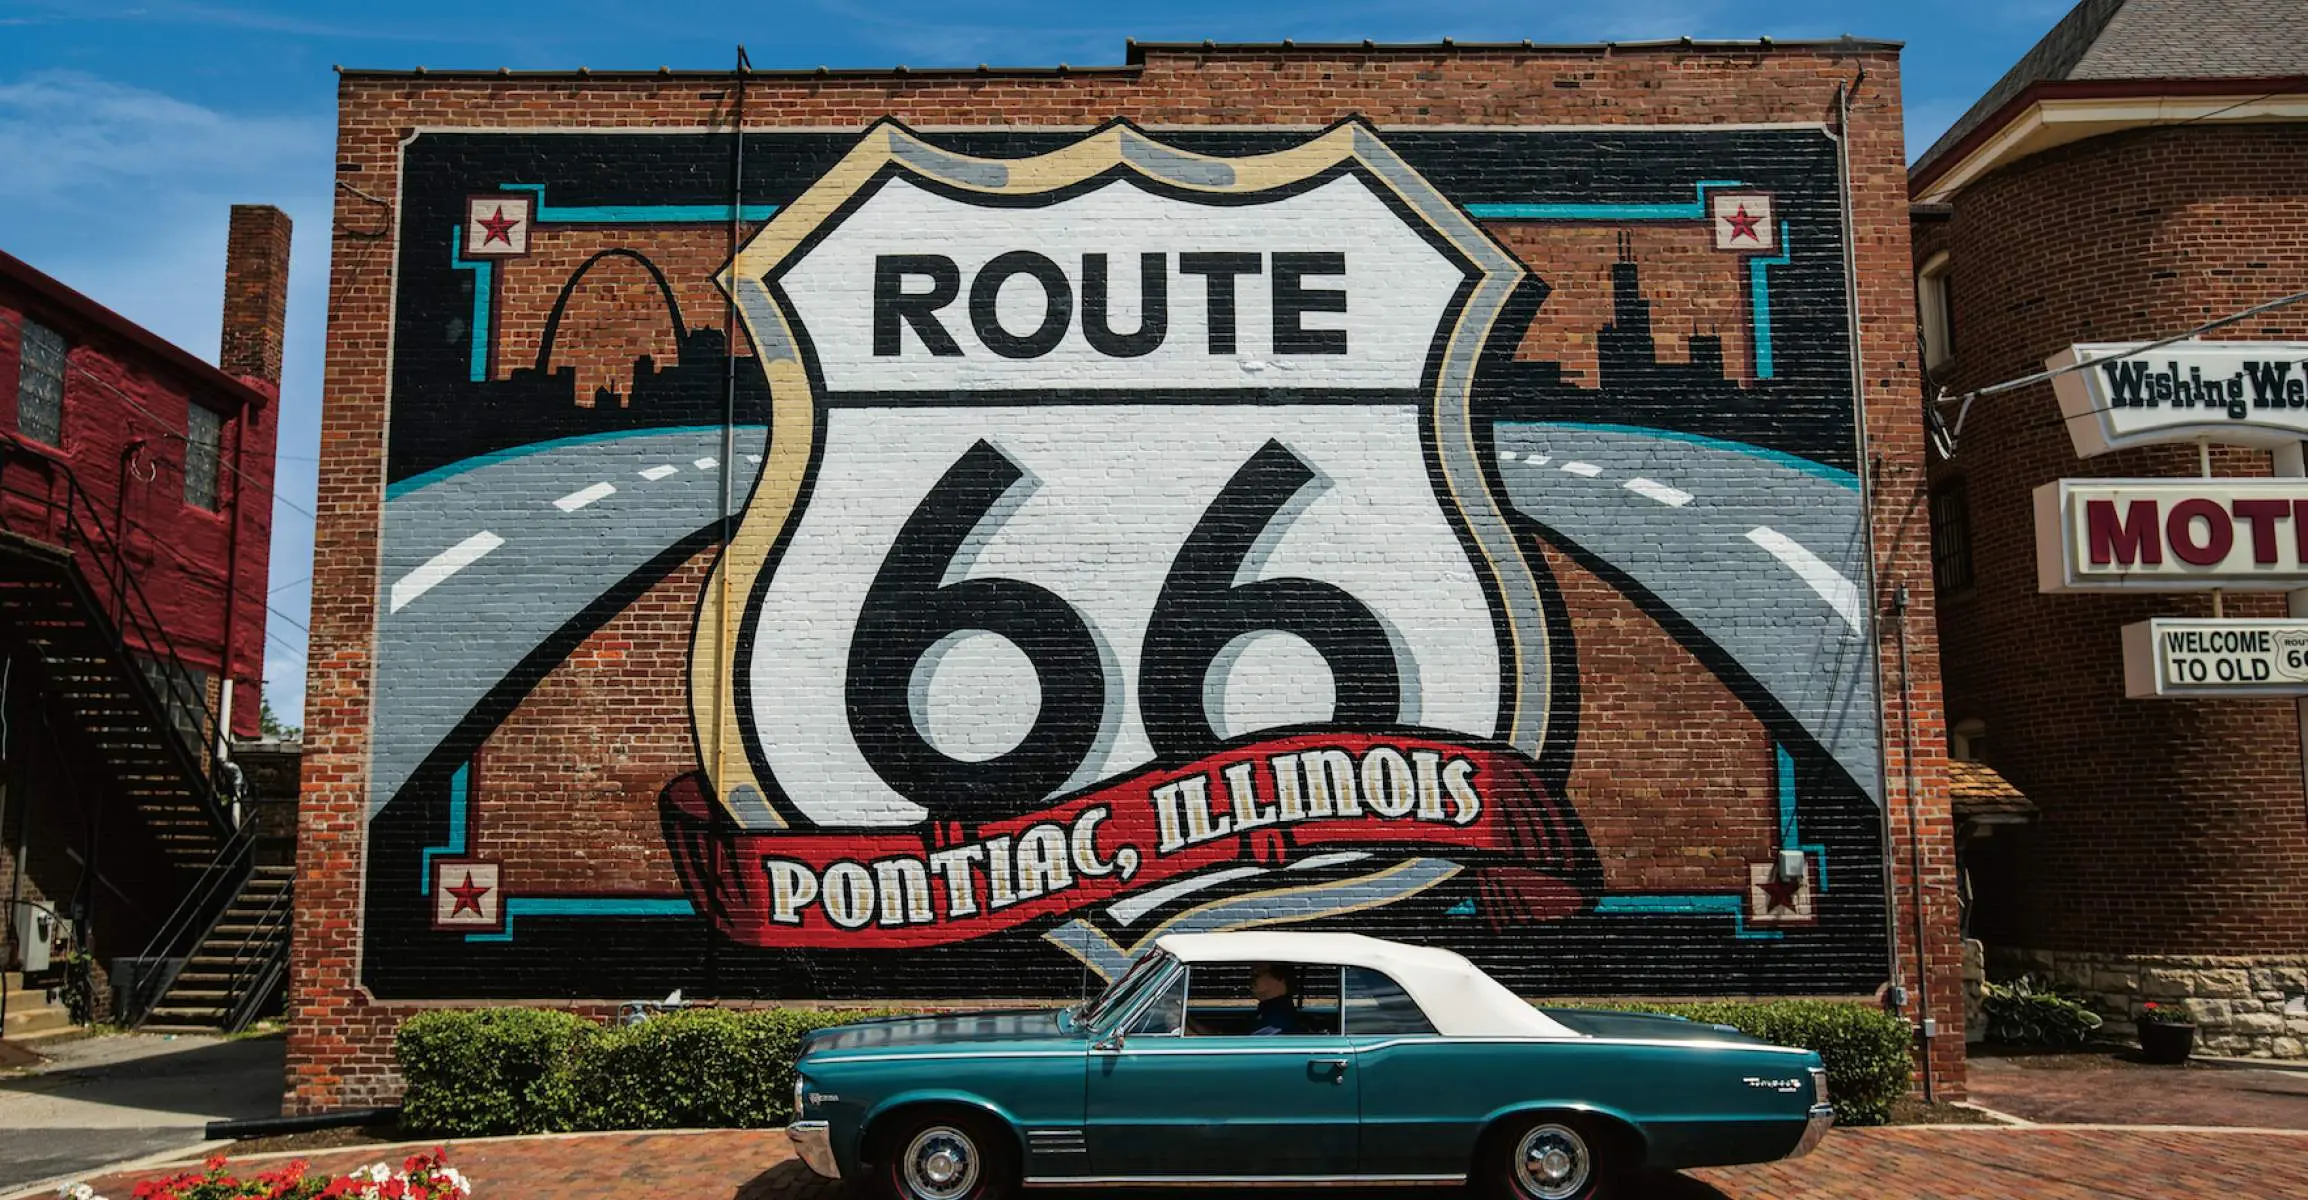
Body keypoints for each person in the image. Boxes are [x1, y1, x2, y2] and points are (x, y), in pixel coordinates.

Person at [1248, 963, 1304, 1036]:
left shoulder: (1279, 1016)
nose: (1251, 980)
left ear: (1279, 979)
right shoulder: (1270, 1007)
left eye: (1257, 975)